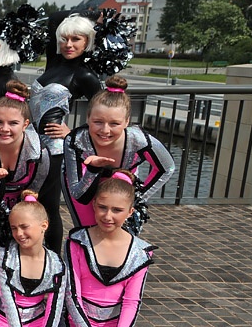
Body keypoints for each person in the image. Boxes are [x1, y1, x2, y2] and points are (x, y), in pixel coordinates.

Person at [57, 171, 155, 327]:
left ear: (130, 212)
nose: (108, 216)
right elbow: (71, 296)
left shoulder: (141, 253)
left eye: (117, 210)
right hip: (78, 325)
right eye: (102, 207)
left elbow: (131, 302)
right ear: (93, 205)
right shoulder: (77, 242)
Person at [63, 75, 175, 233]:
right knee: (87, 231)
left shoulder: (139, 140)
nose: (105, 130)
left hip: (122, 182)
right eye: (98, 122)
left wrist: (138, 196)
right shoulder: (75, 141)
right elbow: (79, 195)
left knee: (123, 232)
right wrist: (93, 169)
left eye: (114, 123)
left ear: (127, 122)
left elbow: (166, 167)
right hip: (84, 183)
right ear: (87, 118)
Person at [33, 11, 103, 251]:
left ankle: (53, 261)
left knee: (49, 204)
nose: (69, 44)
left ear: (87, 42)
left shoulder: (84, 75)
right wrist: (85, 13)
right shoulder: (54, 63)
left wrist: (73, 134)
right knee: (32, 200)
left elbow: (105, 114)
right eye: (64, 39)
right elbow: (54, 21)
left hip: (54, 148)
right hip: (32, 145)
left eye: (76, 39)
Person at [0, 191, 66, 327]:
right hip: (6, 322)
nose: (19, 233)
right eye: (14, 228)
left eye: (24, 227)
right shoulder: (4, 257)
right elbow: (7, 300)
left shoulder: (57, 264)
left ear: (44, 225)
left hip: (38, 324)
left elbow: (54, 308)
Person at [0, 81, 50, 245]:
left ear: (25, 124)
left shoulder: (39, 154)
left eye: (13, 123)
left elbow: (33, 193)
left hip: (21, 208)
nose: (4, 129)